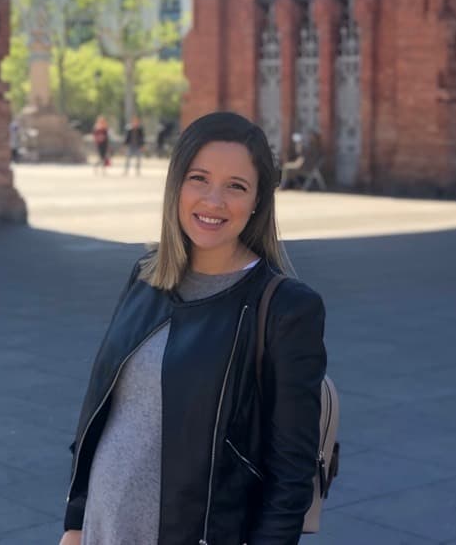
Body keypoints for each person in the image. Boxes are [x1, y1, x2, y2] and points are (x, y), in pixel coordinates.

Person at [59, 111, 327, 545]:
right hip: (103, 529)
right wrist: (75, 521)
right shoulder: (146, 276)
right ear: (176, 185)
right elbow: (104, 409)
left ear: (258, 200)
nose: (213, 200)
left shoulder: (285, 309)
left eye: (236, 186)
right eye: (199, 178)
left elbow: (291, 475)